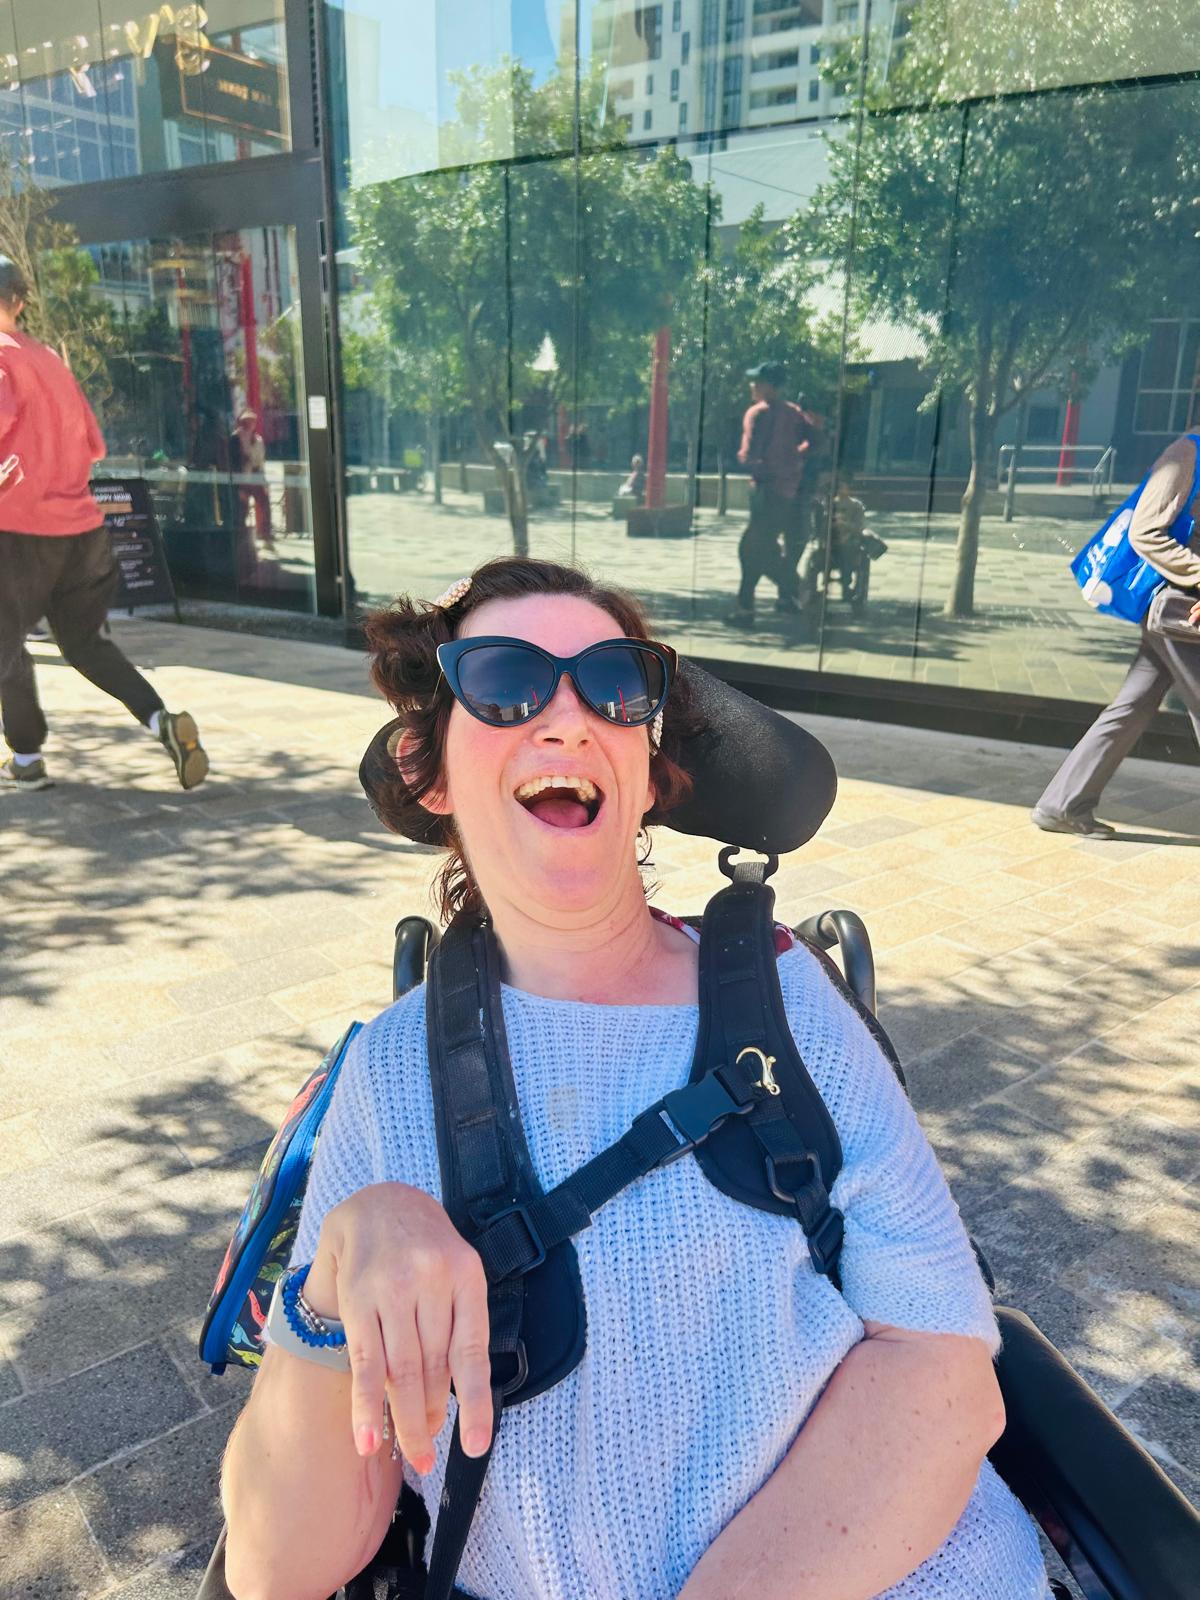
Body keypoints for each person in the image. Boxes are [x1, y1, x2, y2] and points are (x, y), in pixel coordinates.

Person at [219, 555, 1050, 1600]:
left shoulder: (790, 1001)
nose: (569, 721)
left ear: (648, 776)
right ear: (432, 774)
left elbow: (942, 1369)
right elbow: (275, 1570)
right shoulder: (388, 1080)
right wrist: (337, 1272)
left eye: (615, 686)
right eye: (506, 680)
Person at [0, 258, 208, 794]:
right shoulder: (49, 360)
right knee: (85, 645)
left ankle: (26, 759)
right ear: (19, 301)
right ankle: (161, 721)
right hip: (83, 534)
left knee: (6, 646)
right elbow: (94, 446)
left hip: (19, 533)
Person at [1033, 430, 1200, 837]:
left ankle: (1062, 805)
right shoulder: (1188, 453)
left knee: (1133, 705)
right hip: (1178, 610)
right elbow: (1146, 532)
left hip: (1180, 613)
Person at [730, 361, 817, 627]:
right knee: (759, 547)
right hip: (788, 491)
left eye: (758, 382)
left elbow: (749, 455)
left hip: (765, 490)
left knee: (752, 549)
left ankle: (798, 589)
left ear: (770, 386)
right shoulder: (795, 413)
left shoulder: (758, 413)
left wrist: (757, 462)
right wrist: (794, 457)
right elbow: (817, 440)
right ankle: (751, 607)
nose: (753, 386)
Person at [231, 407, 275, 556]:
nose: (250, 424)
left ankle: (266, 536)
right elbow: (235, 463)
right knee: (242, 509)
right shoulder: (236, 438)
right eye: (247, 421)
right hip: (243, 478)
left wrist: (264, 481)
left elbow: (261, 462)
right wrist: (239, 486)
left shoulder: (258, 439)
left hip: (256, 476)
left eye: (252, 421)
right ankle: (241, 540)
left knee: (265, 504)